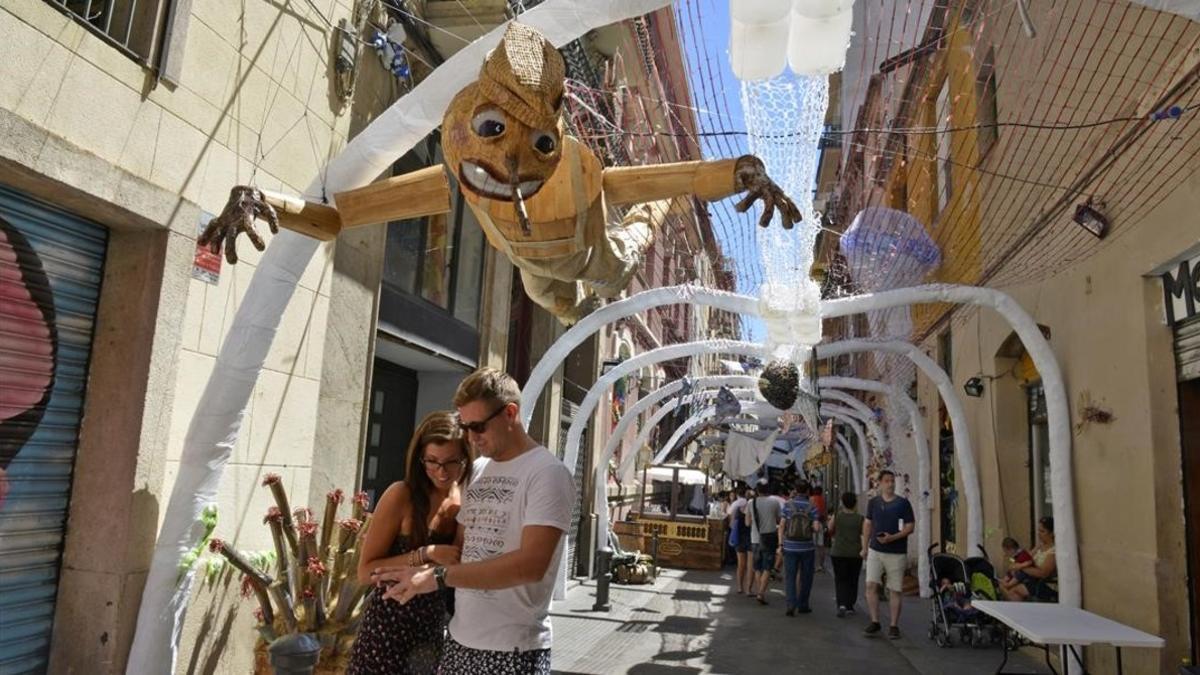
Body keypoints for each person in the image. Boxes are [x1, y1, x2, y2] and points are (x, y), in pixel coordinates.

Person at [378, 368, 575, 674]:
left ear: (510, 413)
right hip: (458, 640)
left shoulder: (548, 473)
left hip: (513, 649)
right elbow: (461, 551)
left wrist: (438, 578)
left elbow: (531, 565)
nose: (471, 437)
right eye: (467, 427)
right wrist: (418, 566)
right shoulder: (477, 471)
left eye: (479, 427)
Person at [350, 412, 474, 674]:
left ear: (466, 458)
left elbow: (459, 562)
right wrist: (427, 553)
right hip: (386, 630)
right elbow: (364, 572)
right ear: (419, 458)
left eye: (452, 462)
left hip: (430, 630)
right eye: (432, 461)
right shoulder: (400, 495)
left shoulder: (464, 501)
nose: (441, 472)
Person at [862, 470, 915, 639]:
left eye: (892, 480)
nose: (890, 484)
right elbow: (868, 524)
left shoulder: (902, 503)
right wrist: (864, 547)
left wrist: (893, 538)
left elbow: (910, 527)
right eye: (887, 481)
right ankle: (875, 621)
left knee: (895, 589)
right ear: (880, 483)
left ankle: (893, 625)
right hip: (875, 549)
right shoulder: (874, 503)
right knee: (871, 585)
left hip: (896, 552)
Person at [780, 481, 821, 615]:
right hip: (807, 547)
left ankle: (791, 605)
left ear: (795, 490)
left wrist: (781, 544)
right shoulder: (812, 507)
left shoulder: (787, 506)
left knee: (790, 576)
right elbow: (816, 528)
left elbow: (782, 526)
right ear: (808, 491)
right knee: (806, 577)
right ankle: (803, 604)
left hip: (790, 546)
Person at [828, 491, 866, 617]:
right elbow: (863, 535)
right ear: (855, 503)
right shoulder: (860, 518)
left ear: (842, 503)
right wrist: (864, 550)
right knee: (853, 579)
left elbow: (830, 529)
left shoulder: (837, 516)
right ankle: (850, 605)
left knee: (840, 579)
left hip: (838, 552)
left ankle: (841, 604)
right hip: (855, 553)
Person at [1001, 517, 1058, 602]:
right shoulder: (1039, 546)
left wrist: (1021, 567)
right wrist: (1017, 564)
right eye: (1038, 530)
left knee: (1013, 590)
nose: (1039, 534)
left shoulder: (1053, 551)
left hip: (1043, 584)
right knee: (1003, 585)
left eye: (1042, 531)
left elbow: (1043, 573)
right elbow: (1025, 558)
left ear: (1052, 533)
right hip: (1031, 580)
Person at [746, 482, 782, 604]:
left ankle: (759, 591)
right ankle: (761, 593)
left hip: (755, 539)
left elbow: (747, 523)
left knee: (757, 568)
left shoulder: (751, 503)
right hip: (770, 538)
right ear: (768, 489)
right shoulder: (774, 502)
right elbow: (778, 519)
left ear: (757, 490)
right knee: (767, 567)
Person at [728, 486, 755, 594]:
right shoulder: (753, 509)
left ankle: (740, 587)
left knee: (741, 565)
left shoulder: (737, 508)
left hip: (739, 538)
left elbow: (731, 524)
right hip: (751, 538)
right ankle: (749, 589)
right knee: (750, 566)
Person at [811, 485, 829, 573]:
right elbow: (825, 512)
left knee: (812, 545)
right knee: (821, 545)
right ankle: (820, 565)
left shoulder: (811, 499)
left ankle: (813, 565)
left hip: (813, 523)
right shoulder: (823, 500)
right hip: (821, 523)